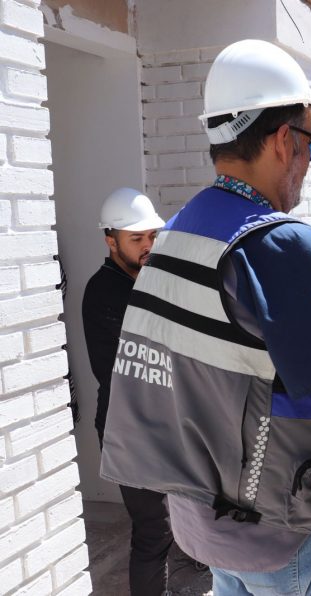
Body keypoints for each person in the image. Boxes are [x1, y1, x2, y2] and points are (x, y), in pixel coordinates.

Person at [100, 39, 311, 596]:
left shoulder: (177, 235)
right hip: (292, 537)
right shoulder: (284, 247)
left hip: (204, 526)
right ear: (285, 140)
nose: (310, 163)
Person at [82, 187, 170, 596]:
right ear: (110, 239)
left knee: (175, 524)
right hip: (128, 431)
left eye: (152, 236)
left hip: (163, 425)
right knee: (153, 531)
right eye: (136, 239)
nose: (147, 246)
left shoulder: (154, 279)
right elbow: (122, 371)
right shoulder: (103, 291)